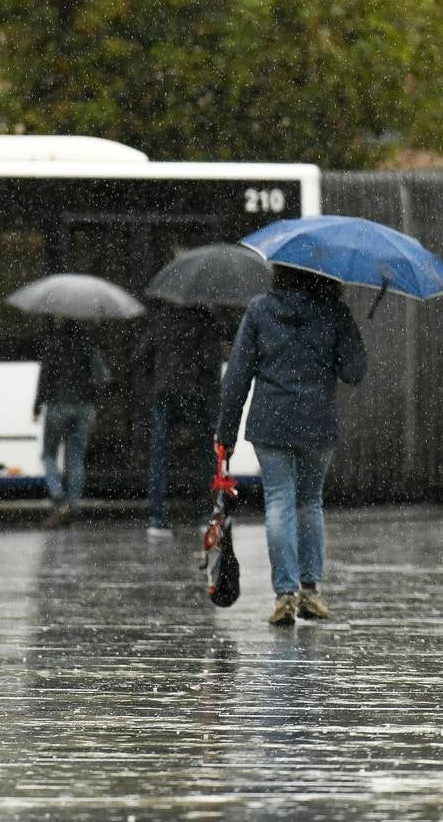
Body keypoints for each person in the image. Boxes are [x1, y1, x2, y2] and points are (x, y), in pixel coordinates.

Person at [215, 265, 366, 627]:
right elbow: (353, 372)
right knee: (309, 502)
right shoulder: (334, 312)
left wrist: (227, 433)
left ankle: (285, 594)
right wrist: (347, 338)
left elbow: (238, 374)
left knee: (279, 502)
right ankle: (311, 592)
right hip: (317, 423)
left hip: (271, 422)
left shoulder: (260, 310)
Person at [137, 302, 227, 535]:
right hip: (194, 392)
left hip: (164, 392)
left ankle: (157, 517)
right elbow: (210, 361)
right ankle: (206, 512)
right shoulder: (205, 318)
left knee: (160, 454)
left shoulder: (161, 317)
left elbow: (142, 355)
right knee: (205, 453)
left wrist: (154, 382)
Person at [33, 320, 107, 529]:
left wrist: (38, 405)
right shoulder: (89, 344)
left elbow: (45, 378)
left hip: (58, 405)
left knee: (48, 455)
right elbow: (103, 378)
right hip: (84, 408)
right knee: (76, 458)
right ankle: (72, 507)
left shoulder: (54, 343)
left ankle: (58, 498)